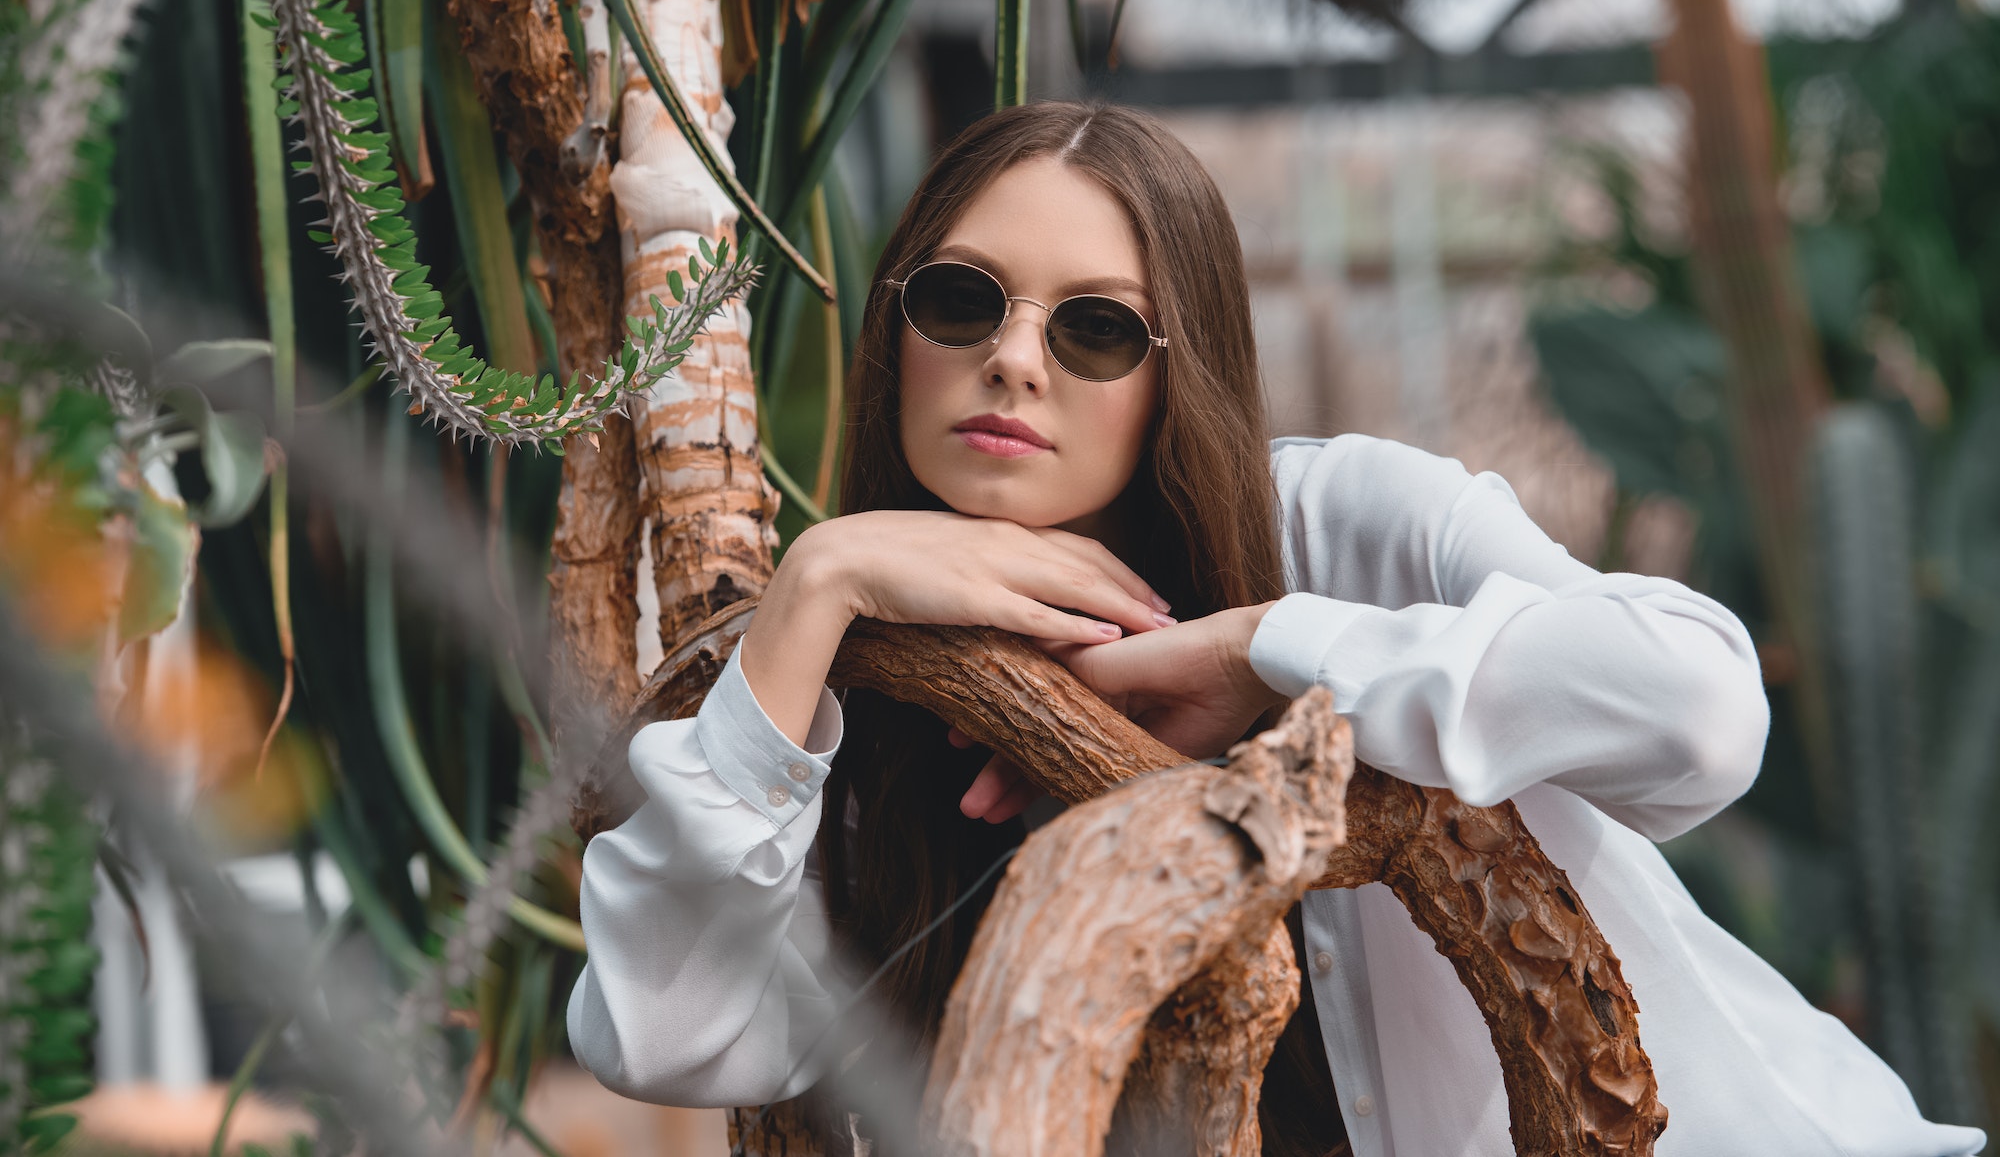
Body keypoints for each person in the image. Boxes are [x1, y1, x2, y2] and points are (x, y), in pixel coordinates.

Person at [566, 102, 1984, 1157]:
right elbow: (664, 1032)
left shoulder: (1352, 525)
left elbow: (1702, 712)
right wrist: (819, 586)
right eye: (961, 301)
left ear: (1178, 367)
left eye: (1095, 329)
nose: (1012, 358)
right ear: (896, 334)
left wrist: (1267, 652)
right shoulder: (864, 690)